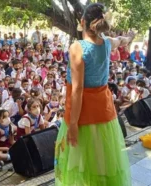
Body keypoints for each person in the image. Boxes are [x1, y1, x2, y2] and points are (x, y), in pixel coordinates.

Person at [54, 3, 132, 185]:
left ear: (83, 21)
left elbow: (78, 89)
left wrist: (73, 124)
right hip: (104, 113)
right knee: (101, 162)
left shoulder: (77, 48)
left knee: (80, 162)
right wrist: (128, 37)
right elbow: (120, 40)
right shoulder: (106, 43)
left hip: (83, 114)